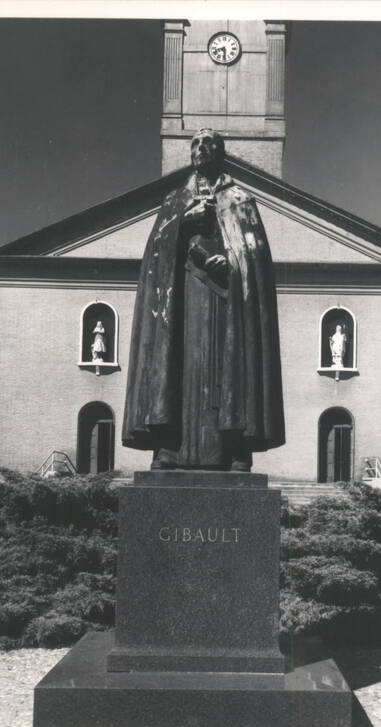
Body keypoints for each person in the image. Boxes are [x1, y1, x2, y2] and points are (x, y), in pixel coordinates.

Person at [122, 129, 285, 471]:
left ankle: (235, 448)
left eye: (208, 143)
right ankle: (168, 447)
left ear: (221, 152)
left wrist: (232, 261)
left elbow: (254, 255)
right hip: (182, 304)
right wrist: (183, 224)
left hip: (227, 306)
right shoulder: (174, 202)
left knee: (229, 370)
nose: (200, 148)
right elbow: (155, 254)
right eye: (195, 143)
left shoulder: (240, 199)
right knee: (177, 365)